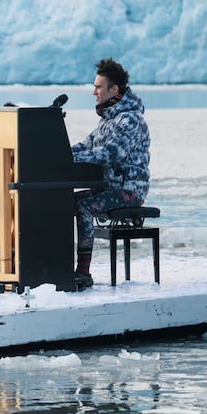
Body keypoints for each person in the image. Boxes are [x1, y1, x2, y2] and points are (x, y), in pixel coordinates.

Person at [71, 58, 150, 287]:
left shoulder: (131, 120)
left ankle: (83, 272)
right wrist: (58, 153)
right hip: (106, 189)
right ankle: (57, 265)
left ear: (114, 89)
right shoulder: (108, 120)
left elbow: (110, 153)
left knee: (84, 206)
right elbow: (86, 146)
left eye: (98, 86)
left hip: (128, 191)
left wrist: (72, 158)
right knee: (60, 202)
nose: (94, 91)